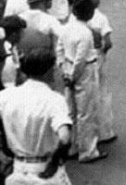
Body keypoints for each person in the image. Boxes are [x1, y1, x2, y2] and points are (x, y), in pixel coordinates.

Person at [0, 33, 73, 184]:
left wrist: (6, 147)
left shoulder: (6, 96)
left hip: (18, 167)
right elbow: (64, 137)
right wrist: (56, 161)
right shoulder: (54, 100)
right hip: (45, 169)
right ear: (48, 72)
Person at [59, 0, 107, 163]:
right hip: (84, 71)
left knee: (71, 110)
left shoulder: (65, 28)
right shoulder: (85, 33)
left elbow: (60, 50)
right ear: (90, 13)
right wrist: (73, 76)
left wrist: (65, 72)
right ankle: (88, 151)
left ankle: (71, 146)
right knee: (86, 112)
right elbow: (80, 59)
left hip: (68, 69)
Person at [80, 0, 117, 144]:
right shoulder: (101, 18)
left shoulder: (76, 15)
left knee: (84, 98)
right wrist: (101, 48)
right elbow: (107, 43)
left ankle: (84, 137)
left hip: (81, 60)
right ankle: (104, 132)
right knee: (102, 93)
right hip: (97, 57)